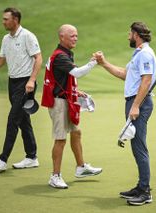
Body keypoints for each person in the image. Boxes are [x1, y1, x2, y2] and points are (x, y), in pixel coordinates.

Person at [94, 21, 156, 206]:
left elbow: (146, 80)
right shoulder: (138, 53)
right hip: (134, 102)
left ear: (136, 34)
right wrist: (103, 63)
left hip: (139, 103)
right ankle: (141, 186)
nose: (128, 36)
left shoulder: (145, 53)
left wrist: (135, 106)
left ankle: (145, 192)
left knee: (139, 147)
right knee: (136, 147)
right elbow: (124, 73)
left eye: (130, 33)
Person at [0, 7, 42, 171]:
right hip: (12, 84)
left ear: (15, 20)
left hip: (26, 83)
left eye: (6, 19)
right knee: (24, 121)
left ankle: (3, 159)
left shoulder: (27, 36)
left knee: (13, 120)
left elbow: (38, 58)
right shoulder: (6, 39)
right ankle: (32, 157)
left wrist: (32, 80)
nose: (3, 22)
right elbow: (0, 60)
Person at [44, 24, 102, 189]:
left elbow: (61, 79)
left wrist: (76, 91)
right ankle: (55, 176)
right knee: (60, 139)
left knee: (76, 132)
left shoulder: (65, 54)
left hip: (64, 99)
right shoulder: (61, 56)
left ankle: (81, 167)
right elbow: (77, 73)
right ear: (62, 37)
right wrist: (93, 62)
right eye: (72, 36)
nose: (75, 38)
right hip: (58, 103)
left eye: (76, 35)